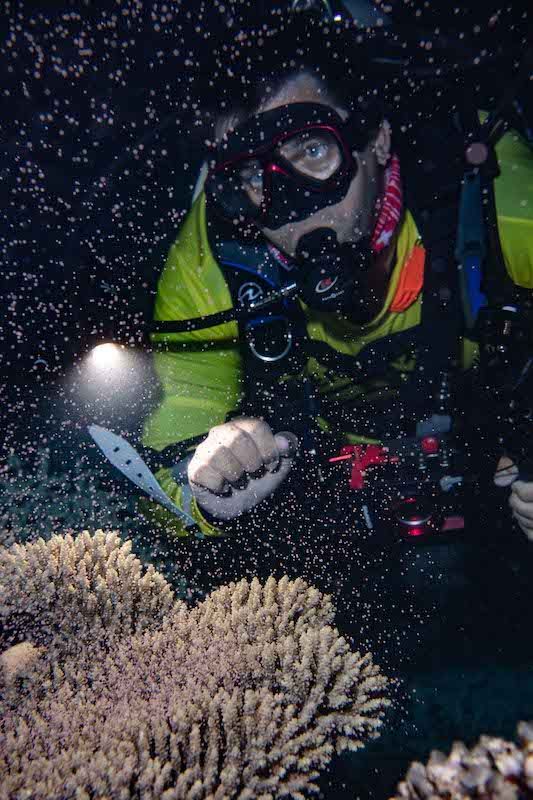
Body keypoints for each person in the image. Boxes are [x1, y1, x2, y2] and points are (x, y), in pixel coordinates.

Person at [140, 9, 533, 571]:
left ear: (375, 140)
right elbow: (170, 435)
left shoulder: (503, 204)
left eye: (313, 151)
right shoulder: (209, 263)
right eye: (253, 179)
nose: (294, 211)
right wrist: (198, 492)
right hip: (331, 480)